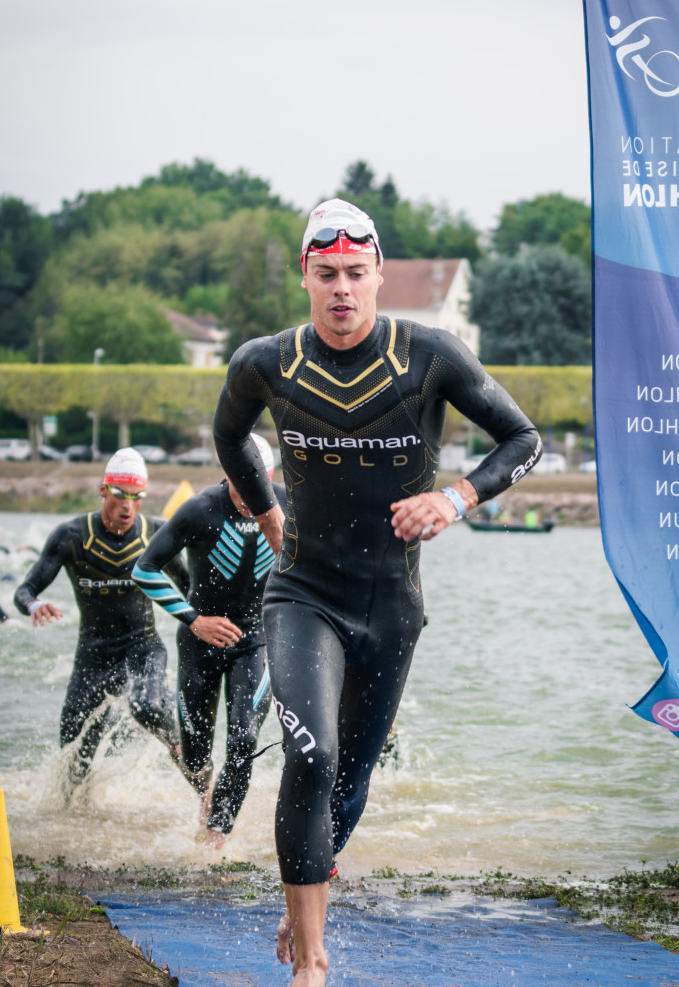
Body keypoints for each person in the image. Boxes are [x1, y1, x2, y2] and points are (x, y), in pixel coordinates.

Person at [212, 198, 542, 985]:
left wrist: (455, 498)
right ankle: (312, 960)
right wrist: (268, 516)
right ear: (305, 275)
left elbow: (524, 439)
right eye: (326, 274)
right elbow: (229, 437)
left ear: (378, 274)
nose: (342, 290)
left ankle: (305, 894)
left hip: (391, 606)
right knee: (311, 752)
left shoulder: (430, 355)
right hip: (302, 594)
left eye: (355, 273)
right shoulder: (265, 363)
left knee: (350, 781)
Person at [133, 434, 286, 849]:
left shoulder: (288, 504)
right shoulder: (200, 509)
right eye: (241, 485)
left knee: (244, 737)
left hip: (255, 641)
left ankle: (217, 831)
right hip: (199, 641)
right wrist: (194, 619)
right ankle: (206, 792)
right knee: (196, 753)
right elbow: (144, 569)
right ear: (228, 473)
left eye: (258, 486)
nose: (250, 498)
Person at [13, 447, 188, 785]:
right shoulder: (71, 536)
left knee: (148, 708)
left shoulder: (155, 534)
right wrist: (34, 605)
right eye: (120, 494)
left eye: (137, 496)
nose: (128, 506)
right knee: (72, 759)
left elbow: (189, 586)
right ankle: (74, 813)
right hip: (93, 655)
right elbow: (25, 591)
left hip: (142, 647)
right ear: (103, 490)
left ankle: (185, 753)